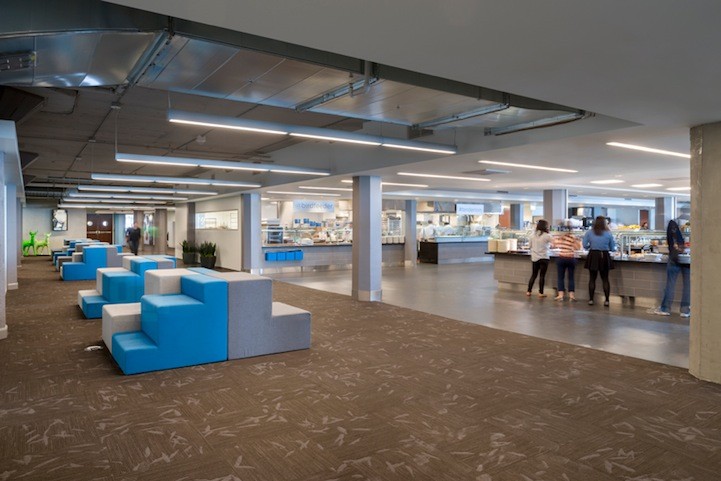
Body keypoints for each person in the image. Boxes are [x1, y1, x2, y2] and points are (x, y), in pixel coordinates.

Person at [652, 219, 690, 318]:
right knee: (688, 285)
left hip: (674, 258)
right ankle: (685, 310)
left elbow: (671, 243)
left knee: (670, 284)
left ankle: (665, 308)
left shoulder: (672, 225)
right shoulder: (690, 227)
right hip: (688, 258)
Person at [583, 216, 616, 306]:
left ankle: (591, 299)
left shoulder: (589, 232)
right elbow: (613, 248)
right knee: (605, 279)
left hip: (593, 255)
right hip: (604, 255)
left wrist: (591, 246)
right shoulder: (608, 233)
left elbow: (584, 245)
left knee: (592, 278)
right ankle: (607, 300)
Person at [554, 225, 581, 301]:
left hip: (561, 258)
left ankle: (560, 295)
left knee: (560, 277)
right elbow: (578, 248)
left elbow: (554, 245)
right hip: (570, 258)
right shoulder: (573, 238)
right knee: (571, 277)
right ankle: (571, 296)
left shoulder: (560, 237)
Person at [527, 219, 553, 298]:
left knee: (534, 275)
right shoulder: (547, 236)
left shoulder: (532, 235)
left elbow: (529, 246)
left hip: (535, 257)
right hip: (544, 257)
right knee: (542, 276)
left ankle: (529, 291)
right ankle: (541, 293)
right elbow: (554, 243)